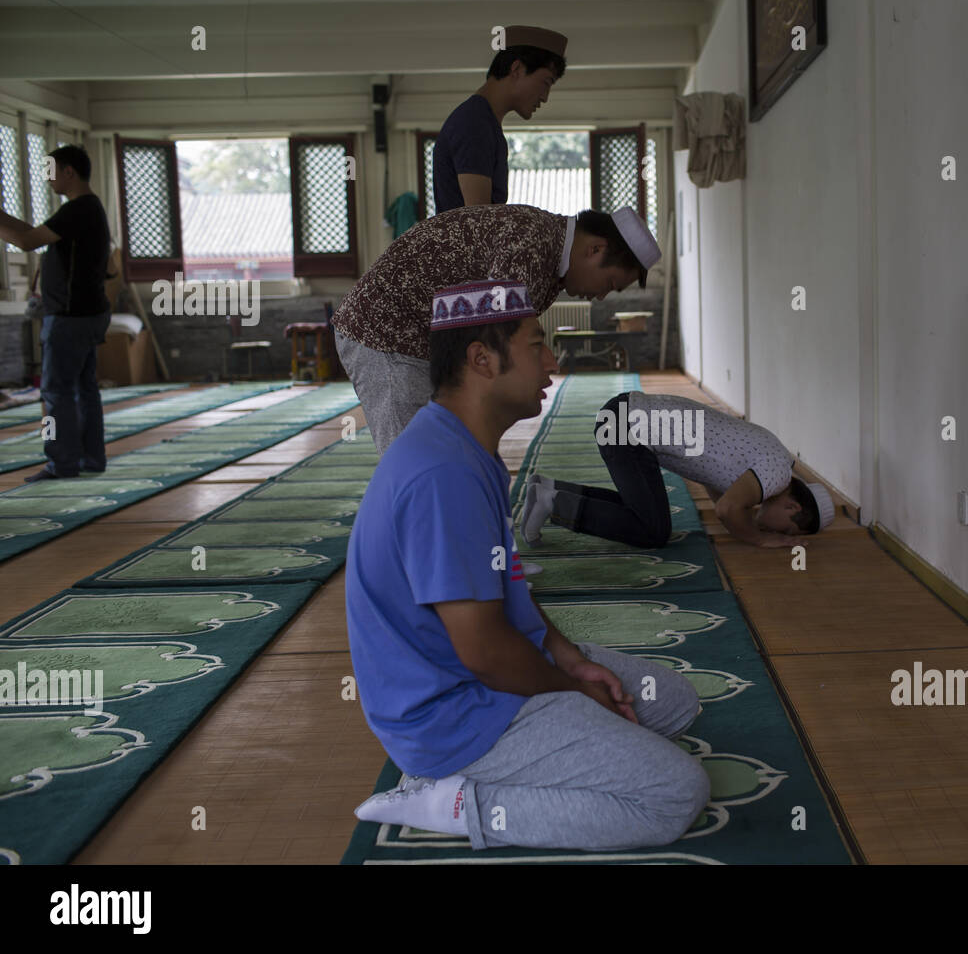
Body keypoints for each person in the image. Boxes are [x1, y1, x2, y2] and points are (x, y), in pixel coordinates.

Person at [346, 280, 710, 851]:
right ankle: (457, 801)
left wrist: (566, 655)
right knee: (674, 793)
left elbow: (504, 576)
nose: (550, 361)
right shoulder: (442, 475)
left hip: (484, 673)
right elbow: (484, 652)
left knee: (673, 703)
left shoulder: (470, 449)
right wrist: (571, 690)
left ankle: (516, 756)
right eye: (536, 344)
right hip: (449, 712)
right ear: (482, 359)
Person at [332, 203, 660, 455]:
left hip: (419, 341)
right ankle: (413, 540)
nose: (601, 295)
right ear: (595, 249)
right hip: (383, 331)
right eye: (610, 283)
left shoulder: (549, 254)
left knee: (445, 448)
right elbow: (496, 343)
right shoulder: (533, 245)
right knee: (413, 456)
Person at [519, 391, 836, 549]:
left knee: (643, 510)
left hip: (625, 418)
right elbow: (726, 510)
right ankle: (553, 503)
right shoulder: (778, 472)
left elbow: (718, 489)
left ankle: (549, 489)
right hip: (630, 426)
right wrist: (760, 539)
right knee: (654, 530)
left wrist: (743, 521)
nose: (778, 533)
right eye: (786, 530)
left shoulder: (774, 462)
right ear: (792, 505)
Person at [0, 145, 112, 482]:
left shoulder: (77, 210)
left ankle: (59, 460)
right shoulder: (87, 209)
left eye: (50, 170)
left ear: (68, 172)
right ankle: (91, 457)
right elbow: (31, 232)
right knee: (84, 388)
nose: (47, 178)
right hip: (88, 313)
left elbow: (26, 242)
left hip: (69, 317)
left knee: (53, 393)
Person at [433, 25, 568, 214]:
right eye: (546, 82)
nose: (545, 96)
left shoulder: (483, 121)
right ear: (517, 68)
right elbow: (480, 222)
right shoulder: (474, 123)